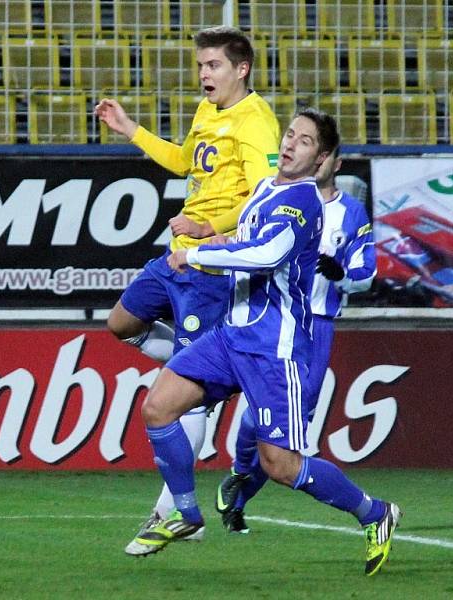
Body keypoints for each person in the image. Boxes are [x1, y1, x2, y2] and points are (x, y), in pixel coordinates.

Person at [125, 108, 401, 577]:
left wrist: (195, 255)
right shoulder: (265, 188)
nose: (292, 143)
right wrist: (208, 234)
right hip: (232, 336)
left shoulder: (302, 201)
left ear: (319, 160)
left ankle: (375, 513)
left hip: (275, 347)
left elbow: (266, 253)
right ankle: (186, 514)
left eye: (306, 141)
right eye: (290, 134)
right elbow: (245, 237)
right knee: (159, 407)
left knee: (281, 465)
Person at [94, 26, 280, 548]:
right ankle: (210, 372)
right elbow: (184, 162)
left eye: (214, 65)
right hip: (180, 252)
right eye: (201, 65)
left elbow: (266, 199)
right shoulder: (208, 112)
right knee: (121, 323)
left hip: (214, 263)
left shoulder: (256, 122)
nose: (204, 74)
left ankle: (172, 513)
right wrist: (131, 129)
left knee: (182, 400)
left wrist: (210, 227)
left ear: (241, 69)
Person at [214, 132, 378, 536]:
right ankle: (239, 478)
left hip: (314, 326)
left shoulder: (351, 212)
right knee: (262, 417)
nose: (316, 162)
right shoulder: (278, 196)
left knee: (280, 423)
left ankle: (238, 496)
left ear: (333, 163)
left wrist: (344, 276)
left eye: (321, 155)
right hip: (268, 318)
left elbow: (367, 272)